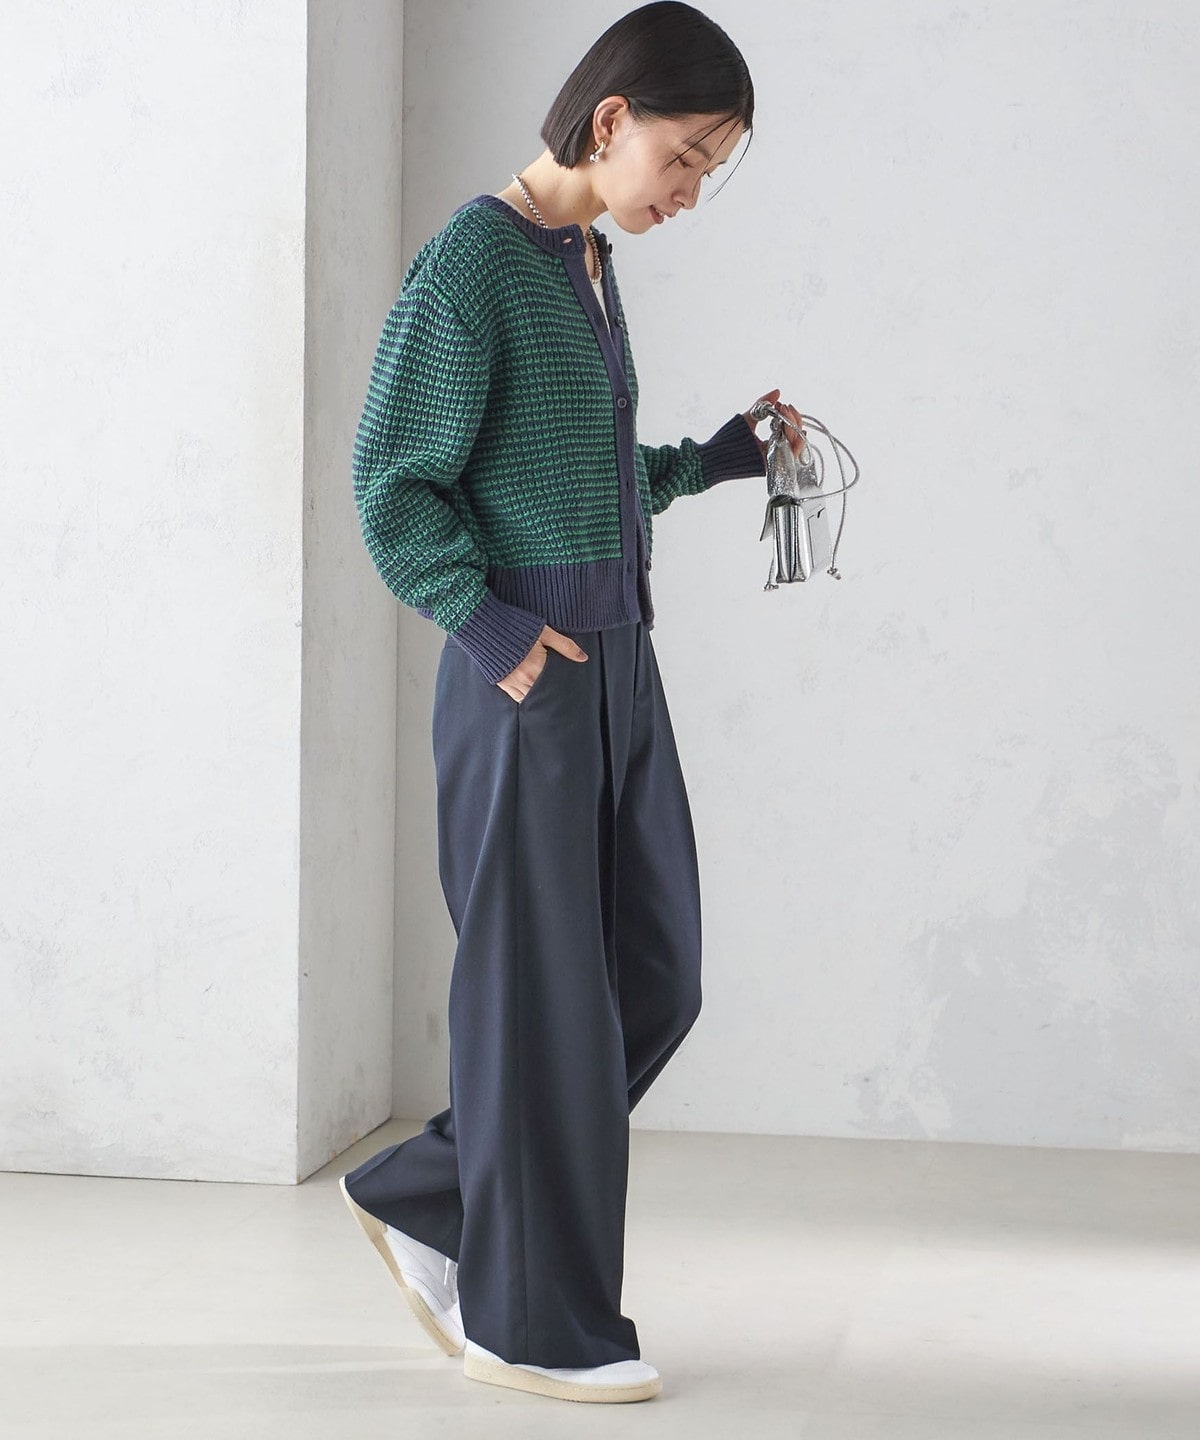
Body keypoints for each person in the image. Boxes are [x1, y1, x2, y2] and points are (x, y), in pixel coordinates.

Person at [339, 0, 808, 1405]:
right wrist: (492, 627)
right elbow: (392, 482)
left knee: (657, 976)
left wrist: (711, 461)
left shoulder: (588, 261)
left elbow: (573, 479)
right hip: (527, 681)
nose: (691, 191)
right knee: (541, 1009)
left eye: (712, 167)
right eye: (685, 155)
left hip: (621, 668)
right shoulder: (473, 263)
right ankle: (529, 1326)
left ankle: (431, 1192)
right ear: (612, 120)